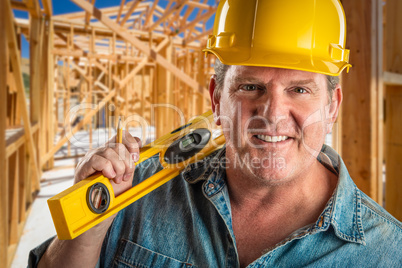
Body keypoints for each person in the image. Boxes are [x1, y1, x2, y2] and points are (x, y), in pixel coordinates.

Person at [30, 0, 402, 267]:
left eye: (299, 90)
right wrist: (88, 231)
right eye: (250, 87)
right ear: (216, 99)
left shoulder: (387, 252)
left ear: (333, 105)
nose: (271, 114)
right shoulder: (135, 191)